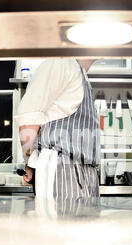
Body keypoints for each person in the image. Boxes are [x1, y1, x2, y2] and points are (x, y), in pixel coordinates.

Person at [14, 58, 100, 198]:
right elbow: (28, 119)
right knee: (59, 219)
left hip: (87, 172)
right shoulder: (60, 63)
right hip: (61, 170)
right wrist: (30, 162)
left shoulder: (82, 76)